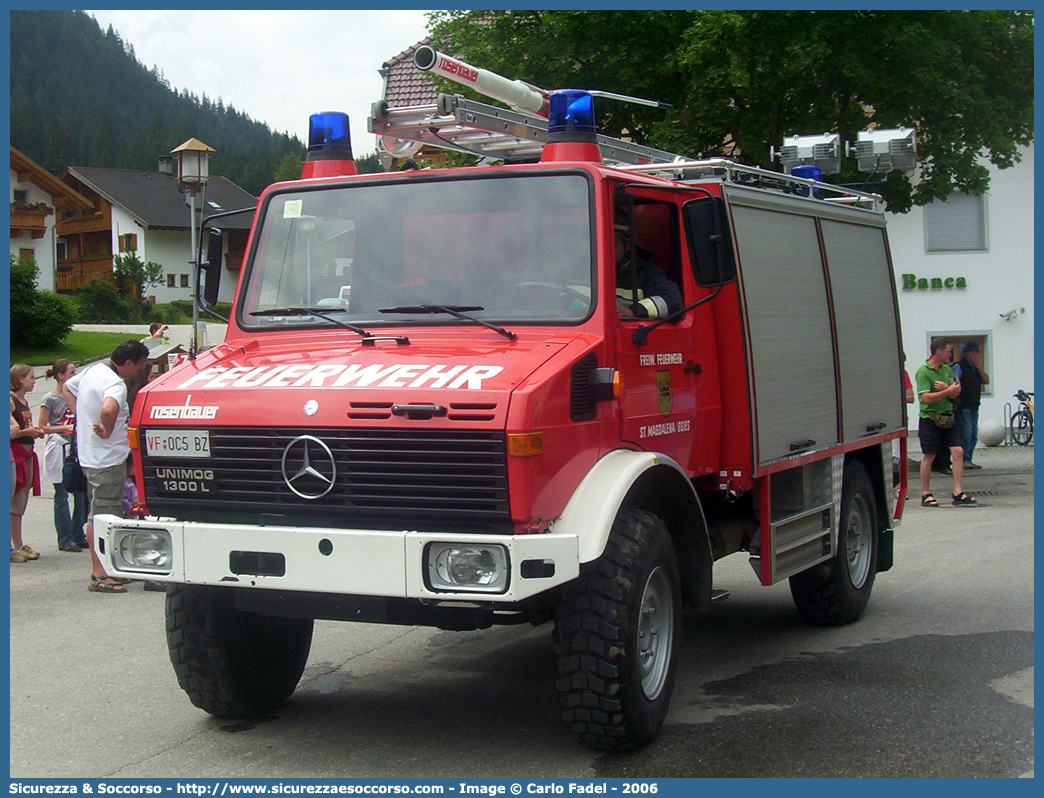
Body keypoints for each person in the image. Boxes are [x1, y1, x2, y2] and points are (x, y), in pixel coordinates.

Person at [62, 339, 151, 593]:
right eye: (140, 364)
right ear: (127, 363)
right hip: (107, 458)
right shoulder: (115, 383)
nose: (140, 369)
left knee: (98, 510)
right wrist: (107, 427)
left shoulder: (93, 370)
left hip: (90, 455)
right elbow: (109, 408)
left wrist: (81, 415)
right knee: (104, 515)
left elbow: (68, 386)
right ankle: (99, 574)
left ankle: (109, 569)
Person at [915, 338, 976, 507]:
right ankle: (926, 494)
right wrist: (948, 391)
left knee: (958, 452)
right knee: (929, 455)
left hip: (948, 418)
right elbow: (925, 398)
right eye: (948, 351)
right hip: (930, 419)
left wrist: (949, 391)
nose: (951, 354)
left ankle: (958, 492)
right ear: (938, 352)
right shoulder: (923, 372)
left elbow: (955, 394)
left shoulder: (947, 370)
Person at [38, 359, 90, 552]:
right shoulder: (50, 399)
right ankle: (65, 538)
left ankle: (78, 532)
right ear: (61, 376)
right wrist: (64, 427)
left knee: (81, 492)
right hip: (59, 446)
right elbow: (42, 427)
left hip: (75, 448)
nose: (74, 376)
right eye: (71, 372)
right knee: (61, 494)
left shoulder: (76, 396)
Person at [613, 211, 683, 320]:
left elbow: (673, 302)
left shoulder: (646, 273)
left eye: (612, 242)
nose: (604, 249)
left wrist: (632, 311)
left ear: (627, 245)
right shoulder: (584, 273)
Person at [10, 365, 45, 561]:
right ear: (21, 379)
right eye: (31, 377)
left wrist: (35, 432)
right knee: (16, 501)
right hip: (17, 454)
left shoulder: (23, 401)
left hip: (28, 453)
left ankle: (18, 542)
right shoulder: (11, 401)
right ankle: (16, 544)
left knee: (22, 501)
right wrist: (26, 433)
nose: (34, 381)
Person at [951, 341, 990, 470]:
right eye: (973, 352)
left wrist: (978, 366)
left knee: (973, 434)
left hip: (974, 405)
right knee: (965, 433)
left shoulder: (975, 368)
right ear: (966, 353)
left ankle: (969, 458)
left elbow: (986, 380)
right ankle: (963, 460)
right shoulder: (959, 366)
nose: (975, 355)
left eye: (977, 353)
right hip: (964, 406)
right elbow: (954, 382)